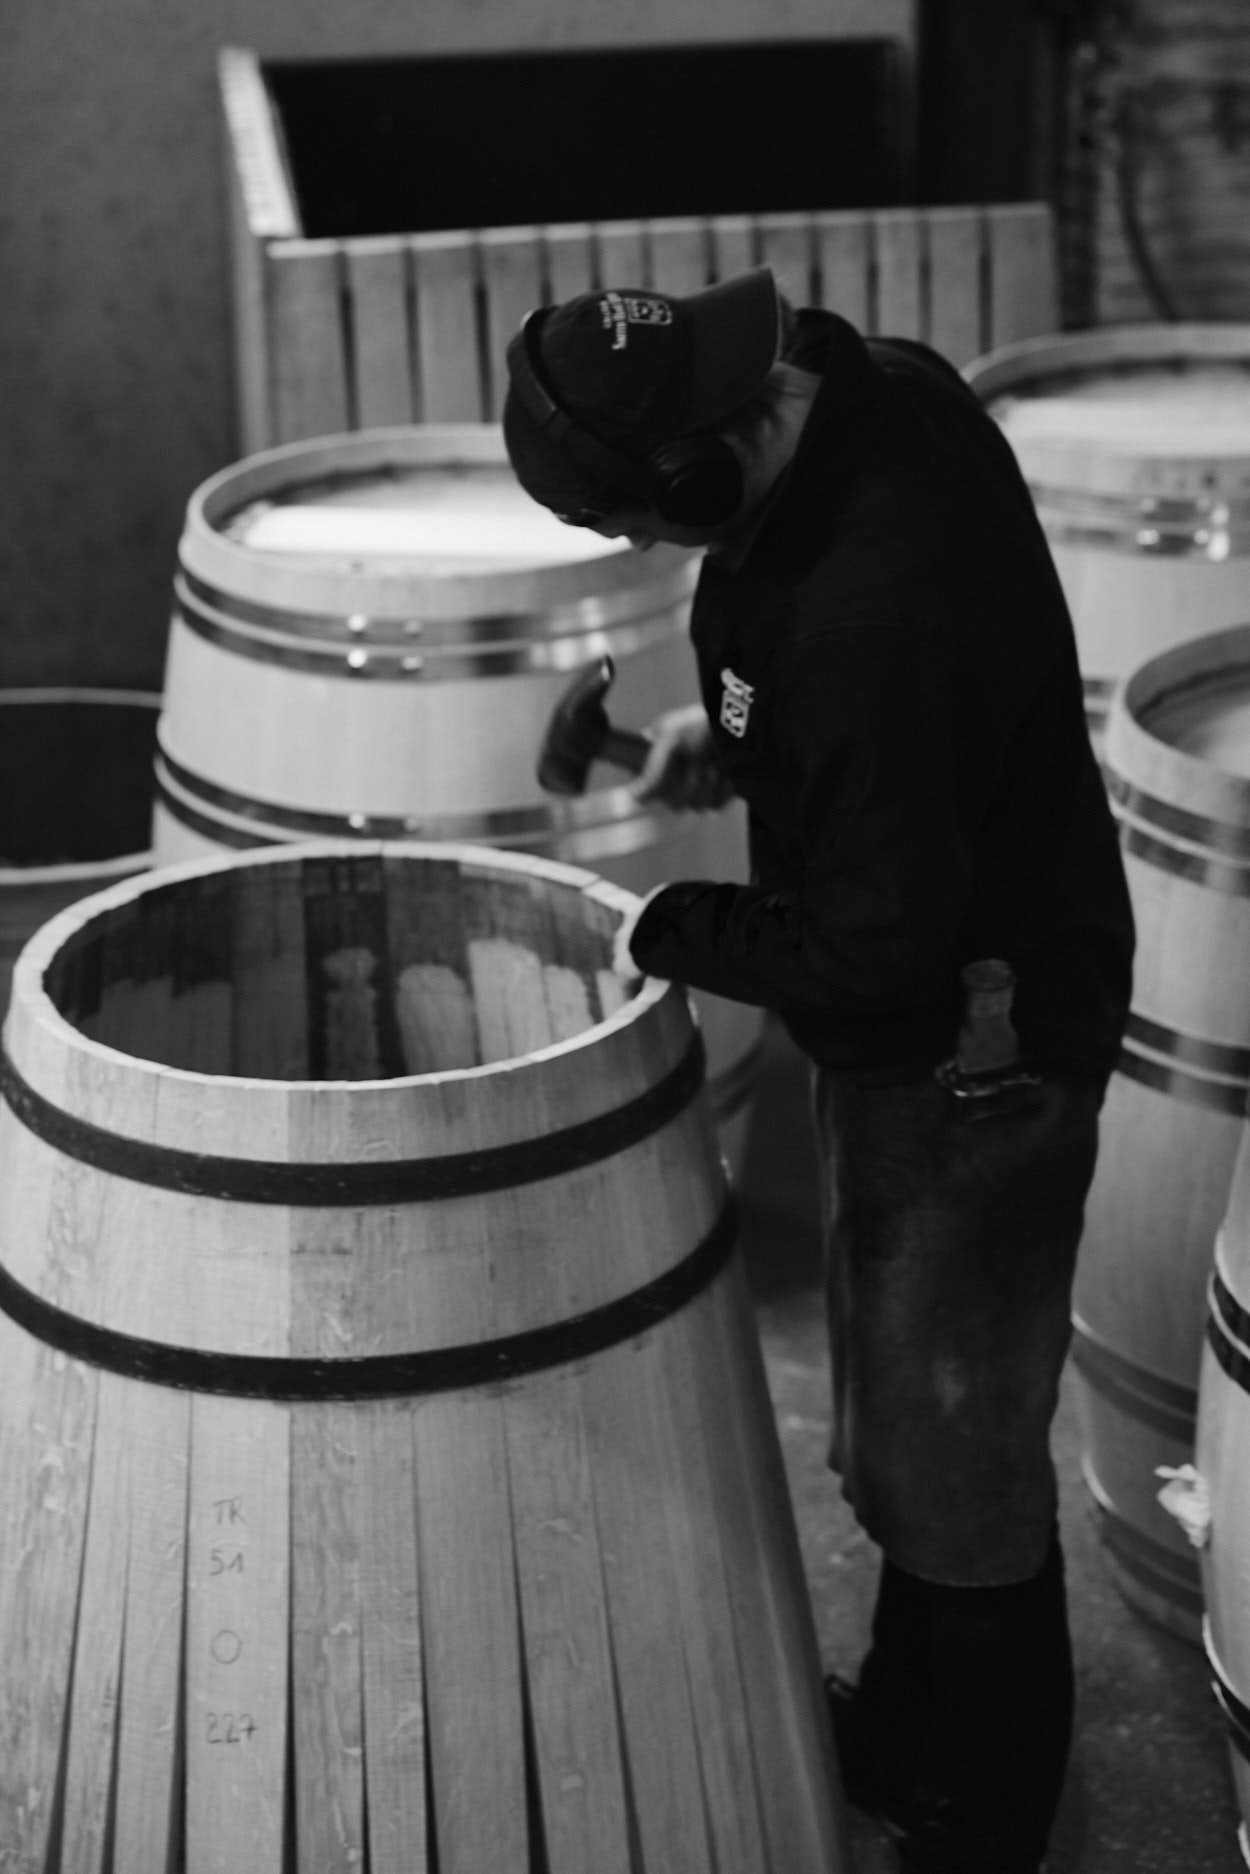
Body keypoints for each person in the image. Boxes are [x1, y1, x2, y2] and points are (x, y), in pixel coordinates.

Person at [502, 267, 1135, 1874]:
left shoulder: (871, 611)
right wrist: (723, 744)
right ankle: (912, 1734)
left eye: (642, 524)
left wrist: (666, 925)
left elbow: (872, 949)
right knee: (906, 1432)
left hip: (976, 1045)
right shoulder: (874, 387)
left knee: (955, 1450)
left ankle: (980, 1818)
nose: (650, 549)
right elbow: (880, 727)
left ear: (693, 474)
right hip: (950, 961)